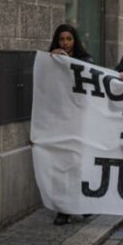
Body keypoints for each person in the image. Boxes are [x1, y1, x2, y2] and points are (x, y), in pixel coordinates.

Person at [48, 24, 93, 226]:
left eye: (68, 39)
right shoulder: (51, 60)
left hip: (80, 120)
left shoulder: (85, 61)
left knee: (78, 164)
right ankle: (63, 209)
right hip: (59, 120)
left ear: (75, 40)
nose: (65, 43)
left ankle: (80, 203)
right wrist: (53, 61)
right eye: (61, 40)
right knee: (61, 165)